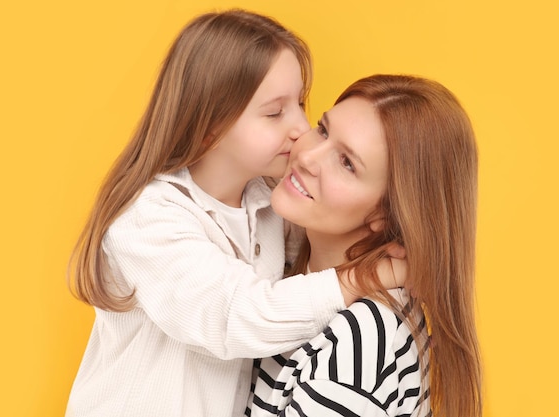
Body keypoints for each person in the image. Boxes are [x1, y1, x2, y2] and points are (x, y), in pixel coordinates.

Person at [65, 10, 404, 417]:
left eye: (299, 103)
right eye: (275, 112)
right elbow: (238, 317)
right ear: (210, 126)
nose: (300, 128)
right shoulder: (149, 218)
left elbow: (330, 246)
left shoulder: (268, 206)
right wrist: (377, 276)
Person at [248, 74, 482, 417]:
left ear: (386, 215)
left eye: (346, 163)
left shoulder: (355, 350)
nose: (308, 157)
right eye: (323, 130)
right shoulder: (287, 264)